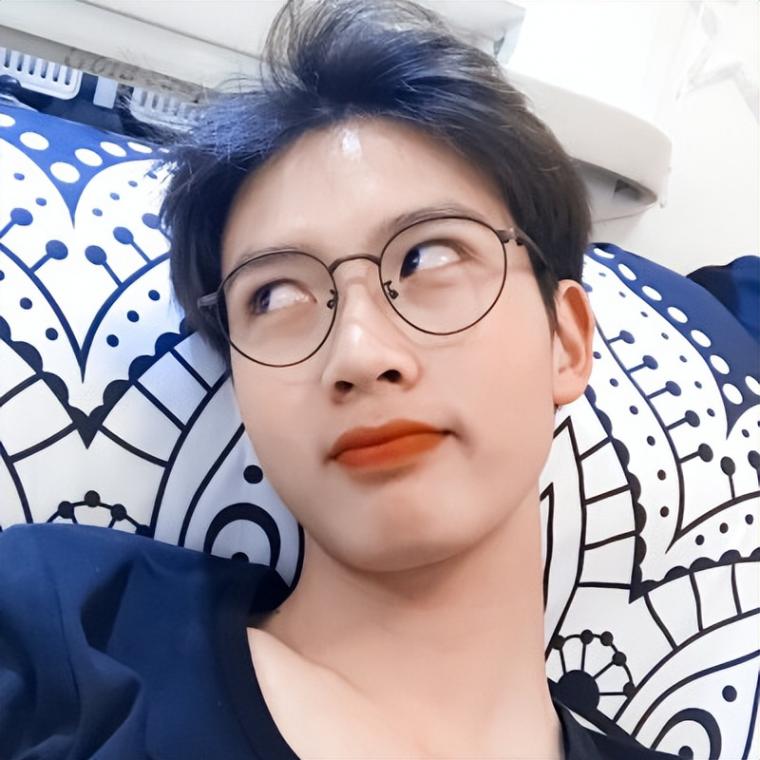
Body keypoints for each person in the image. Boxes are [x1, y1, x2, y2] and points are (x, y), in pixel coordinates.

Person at [0, 1, 682, 758]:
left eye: (427, 257)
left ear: (567, 341)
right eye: (274, 297)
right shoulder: (66, 636)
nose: (358, 353)